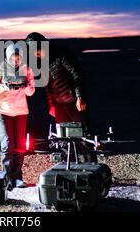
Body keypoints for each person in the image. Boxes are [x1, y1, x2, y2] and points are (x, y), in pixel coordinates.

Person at [25, 32, 97, 162]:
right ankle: (69, 167)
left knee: (83, 137)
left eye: (36, 50)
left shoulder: (61, 54)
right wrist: (50, 105)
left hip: (74, 101)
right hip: (58, 104)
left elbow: (76, 75)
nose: (36, 54)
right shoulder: (41, 63)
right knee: (63, 139)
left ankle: (90, 166)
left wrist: (80, 96)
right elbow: (47, 87)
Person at [0, 43, 35, 189]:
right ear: (8, 57)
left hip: (21, 110)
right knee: (7, 145)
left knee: (20, 145)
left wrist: (25, 85)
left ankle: (18, 177)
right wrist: (4, 86)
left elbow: (31, 92)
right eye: (13, 58)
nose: (16, 61)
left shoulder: (27, 69)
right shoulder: (0, 68)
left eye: (18, 58)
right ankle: (7, 178)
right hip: (4, 110)